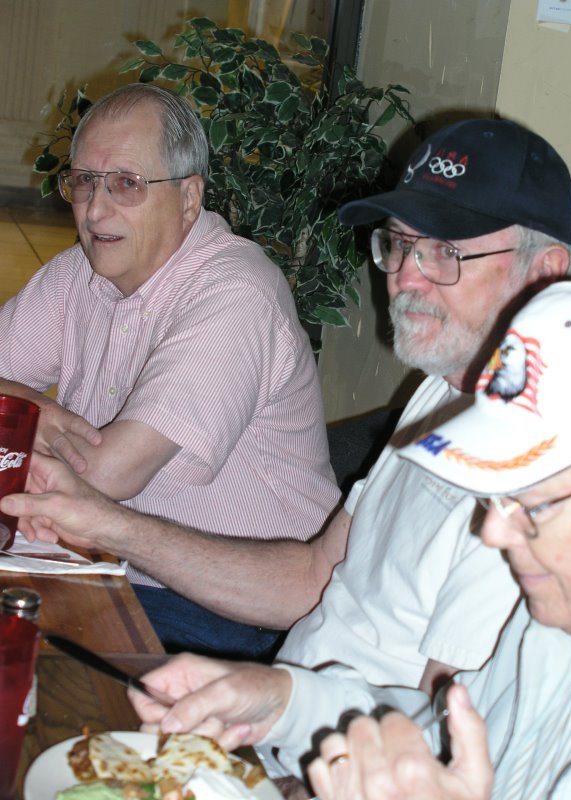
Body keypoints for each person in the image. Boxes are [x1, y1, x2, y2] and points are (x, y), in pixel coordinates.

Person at [2, 118, 571, 792]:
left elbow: (449, 749)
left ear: (545, 274)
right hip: (276, 728)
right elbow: (314, 577)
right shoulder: (436, 397)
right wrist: (104, 525)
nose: (407, 278)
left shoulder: (549, 487)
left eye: (445, 253)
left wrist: (280, 764)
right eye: (398, 245)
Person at [0, 83, 340, 658]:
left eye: (126, 184)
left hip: (241, 612)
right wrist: (26, 406)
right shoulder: (76, 273)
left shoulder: (236, 293)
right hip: (113, 563)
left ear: (189, 198)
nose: (95, 209)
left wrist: (20, 424)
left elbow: (104, 474)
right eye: (84, 181)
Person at [307, 280, 571, 800]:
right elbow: (433, 729)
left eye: (532, 505)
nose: (491, 531)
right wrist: (284, 703)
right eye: (496, 499)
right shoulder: (546, 636)